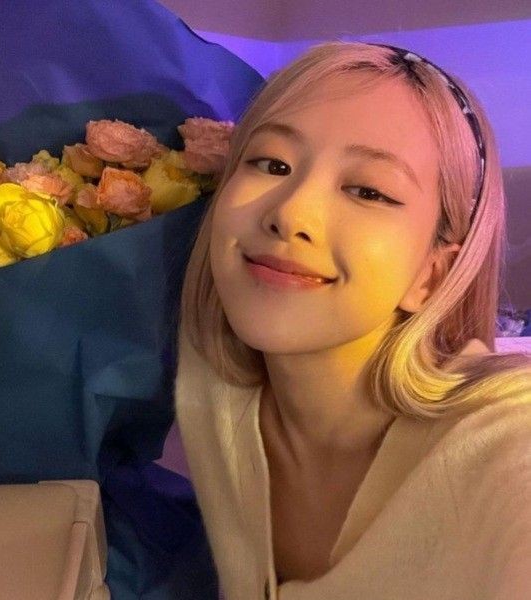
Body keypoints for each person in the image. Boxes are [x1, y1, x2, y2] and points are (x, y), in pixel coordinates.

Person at [174, 41, 531, 599]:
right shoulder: (209, 389)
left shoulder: (506, 445)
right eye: (272, 164)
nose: (290, 213)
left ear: (432, 275)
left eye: (368, 191)